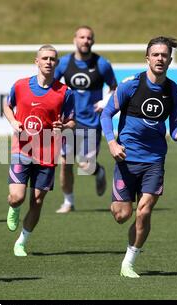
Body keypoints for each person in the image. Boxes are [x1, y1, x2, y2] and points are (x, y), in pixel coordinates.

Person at [100, 36, 177, 278]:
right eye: (156, 54)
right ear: (147, 58)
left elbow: (173, 126)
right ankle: (127, 219)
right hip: (126, 158)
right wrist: (111, 142)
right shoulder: (131, 85)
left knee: (144, 210)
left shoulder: (175, 92)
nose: (160, 58)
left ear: (170, 60)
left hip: (154, 160)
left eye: (164, 55)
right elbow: (107, 114)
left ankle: (129, 261)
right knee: (122, 215)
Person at [4, 45, 75, 256]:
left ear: (57, 63)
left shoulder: (65, 92)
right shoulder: (20, 85)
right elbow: (7, 106)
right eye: (44, 58)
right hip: (22, 148)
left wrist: (64, 126)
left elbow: (72, 121)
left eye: (53, 59)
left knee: (37, 201)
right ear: (37, 61)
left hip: (48, 152)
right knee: (17, 197)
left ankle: (21, 242)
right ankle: (14, 208)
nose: (48, 62)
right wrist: (13, 121)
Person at [54, 26, 117, 214]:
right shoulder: (64, 63)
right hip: (70, 121)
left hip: (92, 122)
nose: (85, 41)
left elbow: (114, 87)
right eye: (82, 37)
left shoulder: (102, 64)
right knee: (65, 162)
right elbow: (53, 86)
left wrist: (105, 101)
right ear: (75, 39)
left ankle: (99, 171)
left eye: (89, 38)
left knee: (85, 165)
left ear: (93, 41)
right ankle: (68, 202)